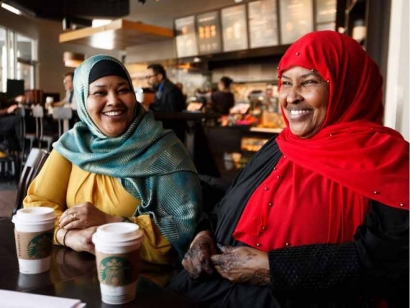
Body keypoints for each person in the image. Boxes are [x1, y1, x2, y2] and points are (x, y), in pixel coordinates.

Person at [168, 31, 409, 307]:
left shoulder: (388, 160)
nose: (291, 97)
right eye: (285, 83)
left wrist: (272, 268)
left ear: (347, 86)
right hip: (214, 292)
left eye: (308, 82)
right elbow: (228, 204)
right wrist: (204, 235)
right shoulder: (277, 146)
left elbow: (389, 261)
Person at [23, 55, 202, 266]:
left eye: (122, 90)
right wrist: (67, 236)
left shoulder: (164, 150)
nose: (113, 101)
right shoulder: (74, 145)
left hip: (142, 280)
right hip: (75, 274)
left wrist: (108, 222)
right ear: (82, 99)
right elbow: (37, 206)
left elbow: (183, 230)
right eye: (99, 92)